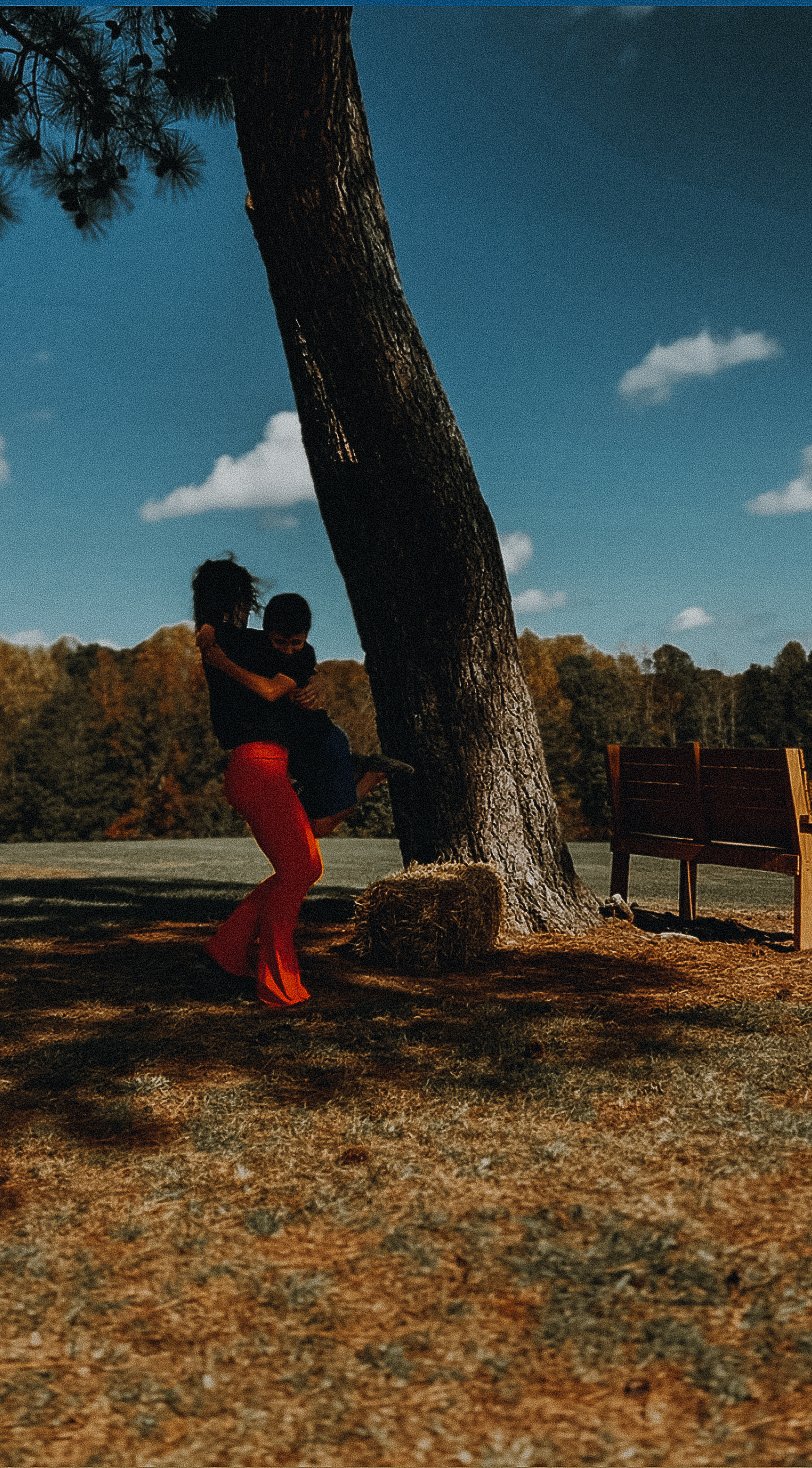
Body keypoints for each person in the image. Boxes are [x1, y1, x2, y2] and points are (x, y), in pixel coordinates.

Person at [191, 555, 323, 1010]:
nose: (288, 648)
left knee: (304, 868)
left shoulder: (248, 647)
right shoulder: (232, 640)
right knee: (301, 869)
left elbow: (273, 690)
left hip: (265, 767)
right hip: (255, 765)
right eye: (243, 602)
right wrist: (213, 646)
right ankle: (277, 982)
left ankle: (226, 953)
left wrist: (216, 656)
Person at [198, 590, 413, 838]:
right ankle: (363, 770)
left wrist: (222, 663)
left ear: (306, 637)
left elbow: (270, 691)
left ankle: (372, 774)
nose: (288, 650)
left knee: (317, 827)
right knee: (302, 825)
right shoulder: (254, 642)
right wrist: (209, 627)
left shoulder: (302, 657)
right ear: (266, 632)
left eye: (296, 642)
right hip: (299, 751)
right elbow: (218, 630)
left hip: (323, 747)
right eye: (280, 642)